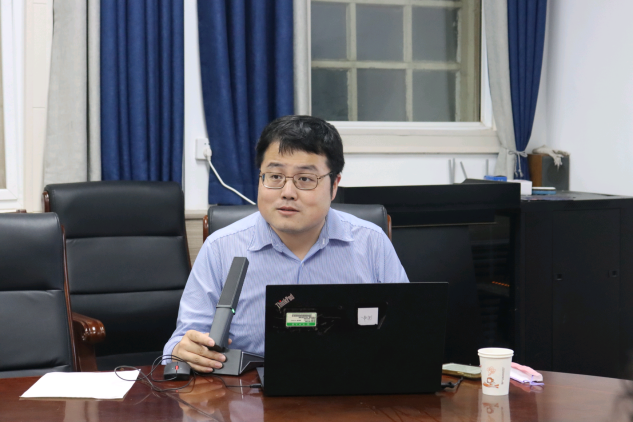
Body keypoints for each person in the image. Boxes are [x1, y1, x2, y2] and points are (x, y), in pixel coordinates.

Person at [164, 115, 409, 373]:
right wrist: (184, 350)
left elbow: (407, 331)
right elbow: (179, 345)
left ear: (334, 185)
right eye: (275, 176)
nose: (287, 192)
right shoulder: (220, 248)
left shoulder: (371, 243)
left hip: (352, 384)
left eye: (305, 179)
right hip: (246, 391)